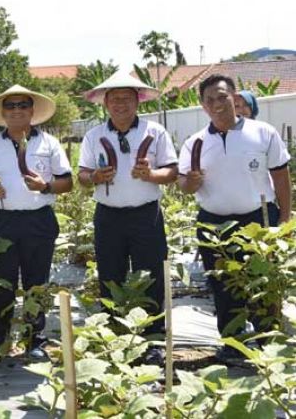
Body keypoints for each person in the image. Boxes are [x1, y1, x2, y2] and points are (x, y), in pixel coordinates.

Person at [177, 74, 291, 363]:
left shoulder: (262, 132)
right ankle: (232, 345)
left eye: (222, 96)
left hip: (259, 221)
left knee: (263, 284)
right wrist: (191, 181)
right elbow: (185, 186)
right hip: (213, 225)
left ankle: (268, 344)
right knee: (224, 286)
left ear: (234, 97)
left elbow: (281, 177)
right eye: (209, 99)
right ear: (202, 105)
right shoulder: (195, 143)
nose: (217, 104)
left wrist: (285, 221)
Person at [78, 72, 179, 364]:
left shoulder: (154, 132)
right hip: (108, 215)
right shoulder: (94, 136)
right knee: (110, 274)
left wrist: (151, 174)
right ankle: (115, 337)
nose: (121, 103)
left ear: (137, 101)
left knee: (151, 276)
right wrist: (95, 176)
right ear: (106, 103)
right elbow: (82, 176)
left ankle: (153, 340)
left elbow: (171, 172)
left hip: (146, 214)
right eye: (115, 98)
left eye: (126, 98)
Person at [0, 84, 73, 359]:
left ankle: (35, 339)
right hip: (3, 222)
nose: (16, 110)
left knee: (36, 282)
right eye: (11, 106)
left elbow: (67, 182)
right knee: (1, 283)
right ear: (3, 113)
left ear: (32, 111)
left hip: (39, 220)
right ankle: (0, 338)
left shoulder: (49, 143)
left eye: (22, 105)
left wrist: (46, 186)